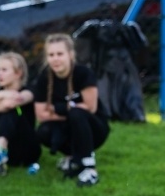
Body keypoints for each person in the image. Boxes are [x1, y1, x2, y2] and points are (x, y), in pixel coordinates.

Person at [33, 33, 111, 186]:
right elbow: (41, 115)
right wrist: (70, 111)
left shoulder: (83, 73)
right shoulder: (44, 78)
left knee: (78, 114)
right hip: (68, 125)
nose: (55, 59)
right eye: (51, 55)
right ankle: (73, 158)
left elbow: (90, 107)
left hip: (95, 128)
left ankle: (89, 167)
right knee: (43, 131)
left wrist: (58, 109)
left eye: (60, 54)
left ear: (70, 55)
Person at [0, 51, 41, 175]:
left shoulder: (29, 90)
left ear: (18, 73)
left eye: (4, 70)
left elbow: (11, 103)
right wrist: (0, 95)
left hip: (27, 147)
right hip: (10, 148)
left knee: (11, 111)